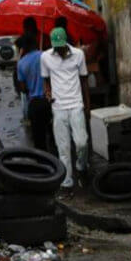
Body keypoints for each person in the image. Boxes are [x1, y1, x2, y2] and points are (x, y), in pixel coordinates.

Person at [41, 27, 90, 190]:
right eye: (56, 47)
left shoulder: (78, 54)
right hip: (58, 106)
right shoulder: (45, 57)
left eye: (61, 47)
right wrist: (47, 93)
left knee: (82, 142)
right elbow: (46, 80)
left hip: (76, 104)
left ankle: (81, 165)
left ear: (66, 43)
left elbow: (84, 80)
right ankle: (67, 181)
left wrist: (87, 106)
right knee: (63, 148)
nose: (59, 50)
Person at [17, 30, 53, 152]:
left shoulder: (21, 63)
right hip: (50, 100)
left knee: (39, 141)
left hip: (34, 103)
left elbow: (22, 89)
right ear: (34, 43)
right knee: (54, 136)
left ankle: (43, 162)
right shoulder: (45, 56)